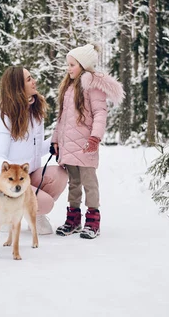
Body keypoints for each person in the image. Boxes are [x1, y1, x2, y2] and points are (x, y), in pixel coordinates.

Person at [51, 44, 124, 239]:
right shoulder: (68, 88)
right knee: (73, 183)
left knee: (89, 183)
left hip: (85, 145)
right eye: (68, 64)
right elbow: (62, 118)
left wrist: (95, 137)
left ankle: (93, 220)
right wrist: (56, 140)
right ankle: (73, 219)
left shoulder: (92, 85)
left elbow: (100, 113)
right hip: (69, 146)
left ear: (83, 65)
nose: (68, 68)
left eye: (72, 64)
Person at [0, 66, 68, 235]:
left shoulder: (34, 113)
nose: (34, 81)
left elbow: (35, 151)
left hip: (30, 175)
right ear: (17, 86)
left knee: (60, 175)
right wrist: (15, 177)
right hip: (7, 183)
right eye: (29, 79)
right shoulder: (3, 117)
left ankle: (33, 212)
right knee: (46, 203)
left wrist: (55, 141)